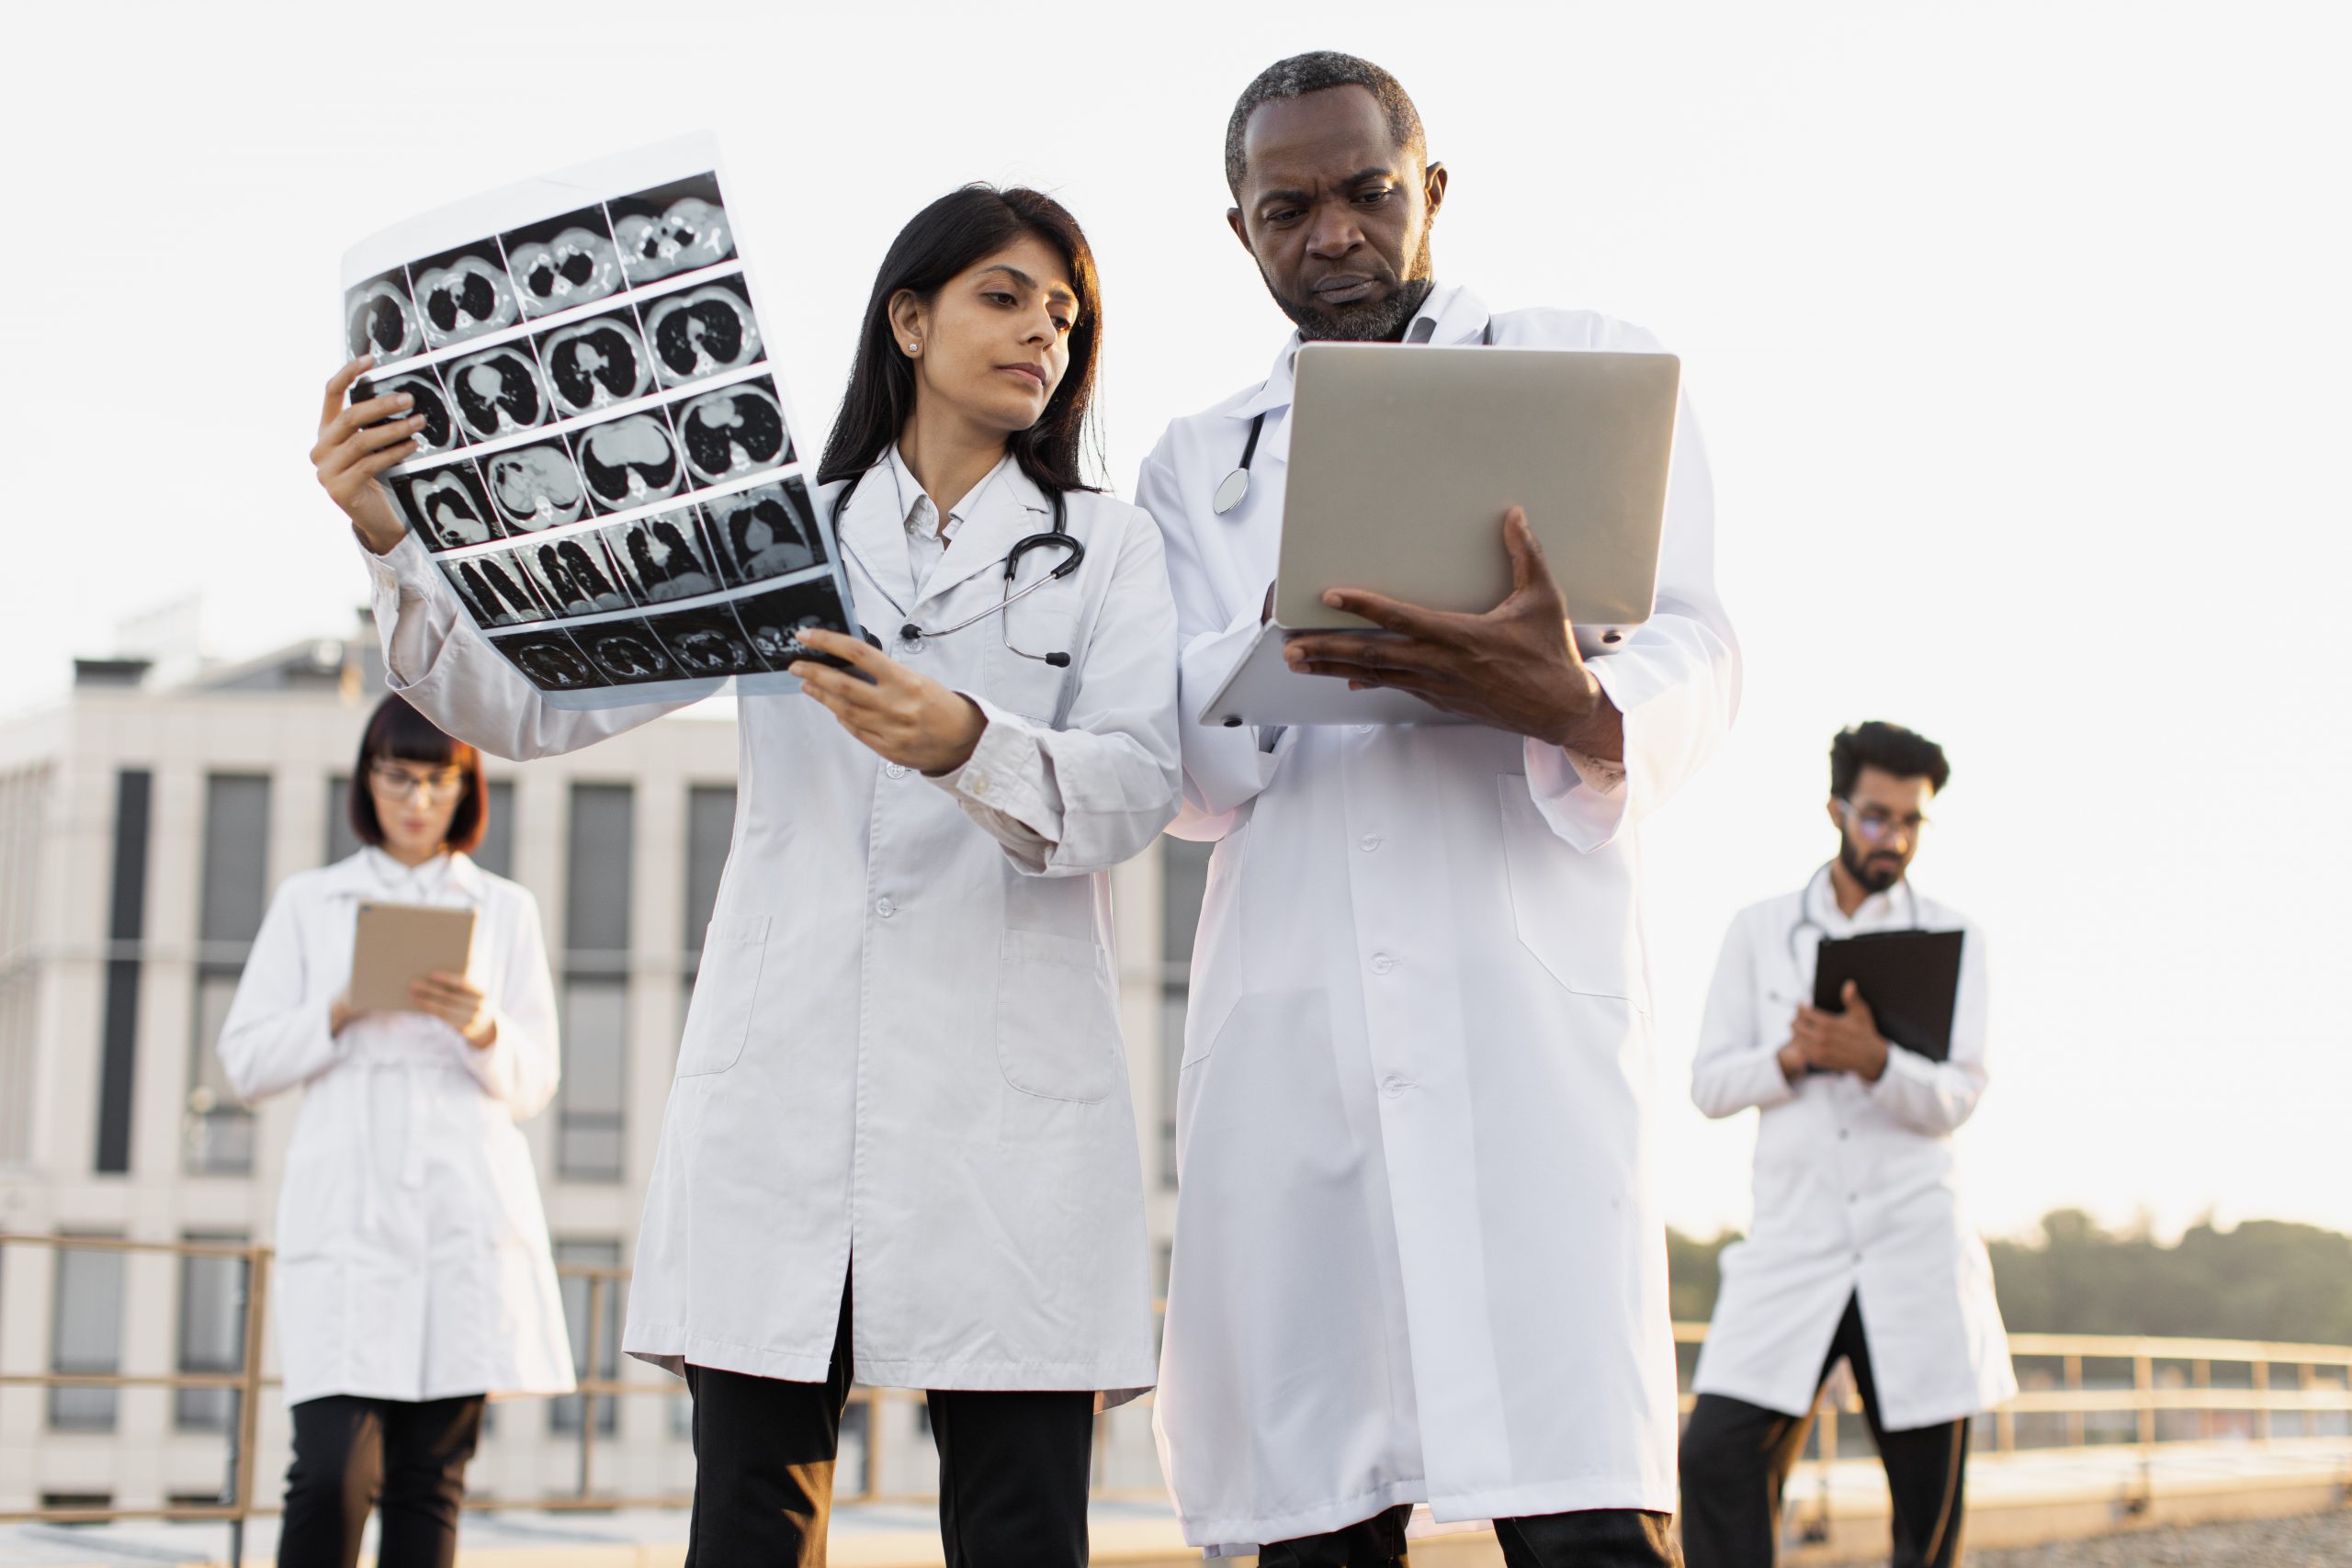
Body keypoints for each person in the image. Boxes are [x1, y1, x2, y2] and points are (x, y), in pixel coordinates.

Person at [309, 185, 1180, 1568]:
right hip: (788, 1096)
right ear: (910, 316)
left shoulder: (1115, 548)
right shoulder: (782, 526)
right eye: (1005, 297)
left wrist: (969, 740)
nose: (1043, 337)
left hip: (1010, 1113)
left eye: (1066, 316)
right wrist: (386, 536)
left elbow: (1139, 784)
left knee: (1021, 1525)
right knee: (751, 1525)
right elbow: (535, 708)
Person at [1139, 51, 1739, 1567]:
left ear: (1433, 190)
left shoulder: (1587, 368)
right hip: (1296, 1043)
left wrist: (1569, 701)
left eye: (1365, 193)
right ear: (1241, 231)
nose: (1331, 234)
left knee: (1586, 1522)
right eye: (1289, 209)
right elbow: (1169, 767)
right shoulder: (1194, 469)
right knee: (1319, 1527)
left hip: (1515, 1019)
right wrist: (1280, 641)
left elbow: (1699, 643)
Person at [217, 694, 572, 1568]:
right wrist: (339, 1005)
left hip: (460, 1223)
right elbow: (245, 1063)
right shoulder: (313, 903)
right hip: (348, 1225)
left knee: (430, 1478)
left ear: (466, 787)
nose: (415, 799)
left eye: (436, 780)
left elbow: (535, 1083)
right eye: (397, 776)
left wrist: (482, 1025)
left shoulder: (504, 910)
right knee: (332, 1472)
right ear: (367, 780)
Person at [1679, 722, 2013, 1568]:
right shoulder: (1759, 931)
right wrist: (1794, 1056)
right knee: (1716, 1455)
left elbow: (1960, 1094)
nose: (1893, 838)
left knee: (1926, 1518)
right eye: (1875, 816)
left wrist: (1877, 1061)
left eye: (1911, 821)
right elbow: (1710, 1085)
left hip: (1913, 1247)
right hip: (1794, 1246)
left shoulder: (1956, 936)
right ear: (1836, 809)